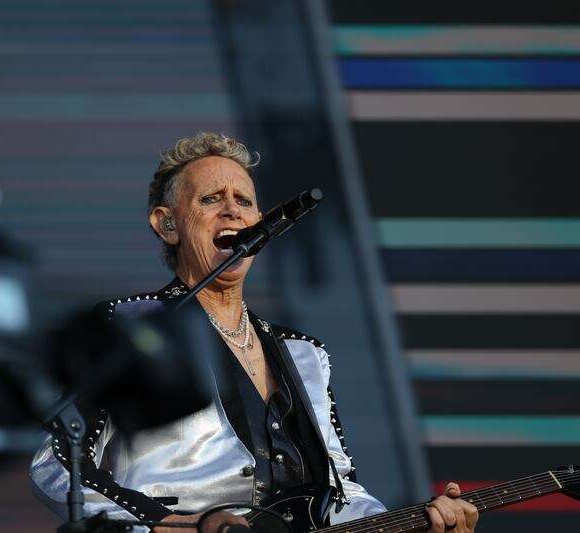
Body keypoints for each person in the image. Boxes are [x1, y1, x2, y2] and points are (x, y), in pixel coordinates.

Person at [31, 132, 479, 533]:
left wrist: (411, 526)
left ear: (261, 224)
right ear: (167, 224)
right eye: (210, 199)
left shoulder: (304, 353)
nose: (231, 210)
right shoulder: (132, 325)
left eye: (243, 201)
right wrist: (167, 526)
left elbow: (341, 496)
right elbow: (56, 463)